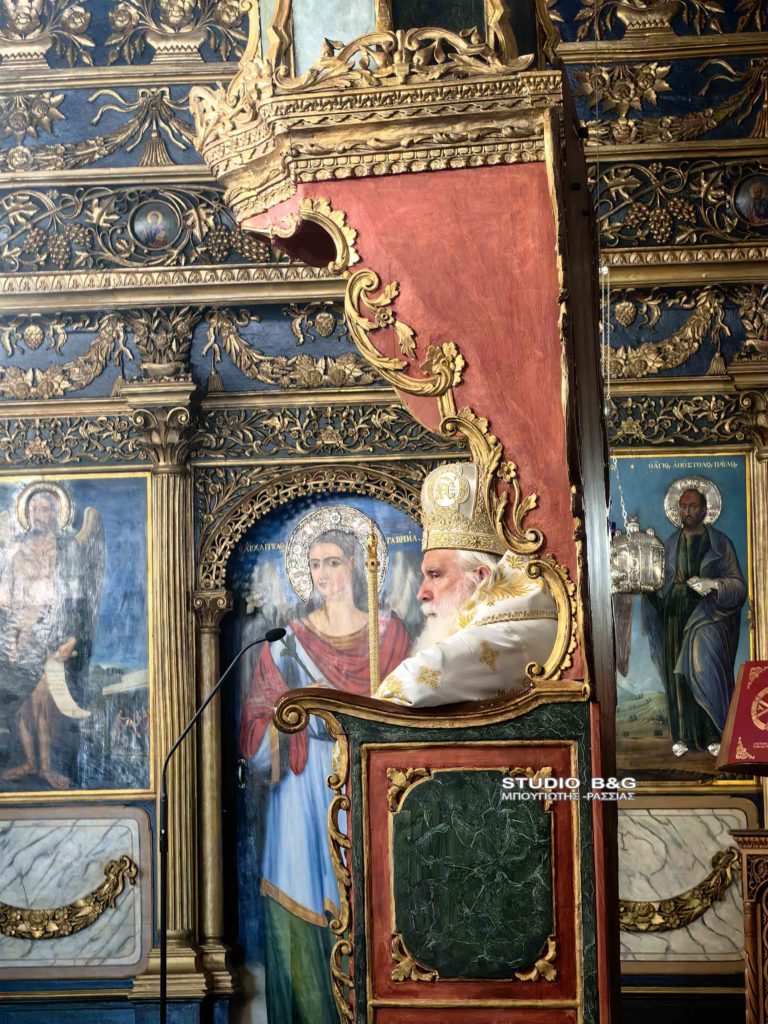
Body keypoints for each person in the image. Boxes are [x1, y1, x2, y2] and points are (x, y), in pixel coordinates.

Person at [239, 514, 411, 1024]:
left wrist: (342, 716)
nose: (322, 574)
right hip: (299, 789)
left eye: (332, 562)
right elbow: (254, 727)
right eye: (314, 564)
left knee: (372, 895)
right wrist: (291, 720)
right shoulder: (285, 643)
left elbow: (407, 716)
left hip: (365, 781)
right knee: (299, 891)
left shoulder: (388, 634)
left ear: (356, 565)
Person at [373, 462, 559, 706]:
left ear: (481, 577)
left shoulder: (507, 630)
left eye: (436, 575)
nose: (422, 593)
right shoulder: (523, 613)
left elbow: (408, 685)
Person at [0, 484, 103, 790]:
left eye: (44, 509)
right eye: (33, 509)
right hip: (19, 632)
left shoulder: (68, 547)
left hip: (53, 631)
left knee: (42, 701)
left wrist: (73, 638)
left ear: (56, 513)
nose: (38, 515)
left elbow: (78, 598)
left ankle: (46, 766)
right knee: (20, 704)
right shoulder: (16, 547)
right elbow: (6, 591)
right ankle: (29, 760)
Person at [644, 483, 746, 757]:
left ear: (704, 510)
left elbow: (738, 587)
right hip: (674, 617)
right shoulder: (668, 545)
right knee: (677, 676)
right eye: (683, 507)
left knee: (705, 670)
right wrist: (647, 586)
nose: (687, 512)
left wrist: (712, 583)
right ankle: (681, 736)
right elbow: (657, 586)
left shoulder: (721, 543)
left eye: (693, 507)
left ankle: (712, 733)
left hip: (708, 616)